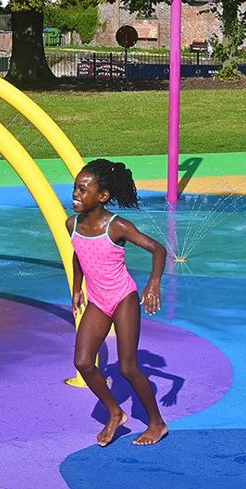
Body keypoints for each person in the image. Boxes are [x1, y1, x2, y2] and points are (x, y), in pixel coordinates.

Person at [68, 159, 168, 447]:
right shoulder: (71, 224)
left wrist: (153, 284)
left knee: (127, 367)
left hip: (123, 297)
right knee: (84, 362)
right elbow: (78, 252)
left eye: (83, 190)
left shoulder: (117, 226)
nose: (76, 193)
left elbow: (158, 249)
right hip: (98, 300)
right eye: (75, 188)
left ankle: (157, 423)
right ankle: (115, 413)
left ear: (102, 196)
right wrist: (77, 287)